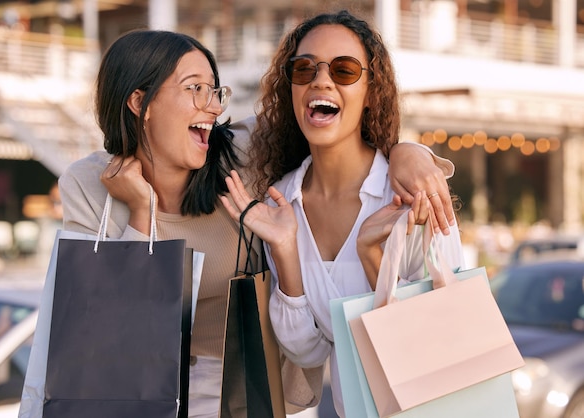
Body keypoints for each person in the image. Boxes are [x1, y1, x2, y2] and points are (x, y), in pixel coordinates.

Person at [58, 29, 457, 418]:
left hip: (241, 390)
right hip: (138, 389)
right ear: (138, 101)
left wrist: (408, 151)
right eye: (195, 88)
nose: (213, 107)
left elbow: (332, 126)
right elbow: (107, 327)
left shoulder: (246, 154)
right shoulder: (90, 187)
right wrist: (141, 214)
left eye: (214, 91)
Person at [220, 10, 466, 417]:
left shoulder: (411, 189)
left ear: (372, 91)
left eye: (345, 70)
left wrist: (374, 258)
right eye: (304, 69)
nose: (321, 80)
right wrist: (284, 252)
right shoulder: (280, 202)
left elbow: (445, 330)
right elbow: (309, 352)